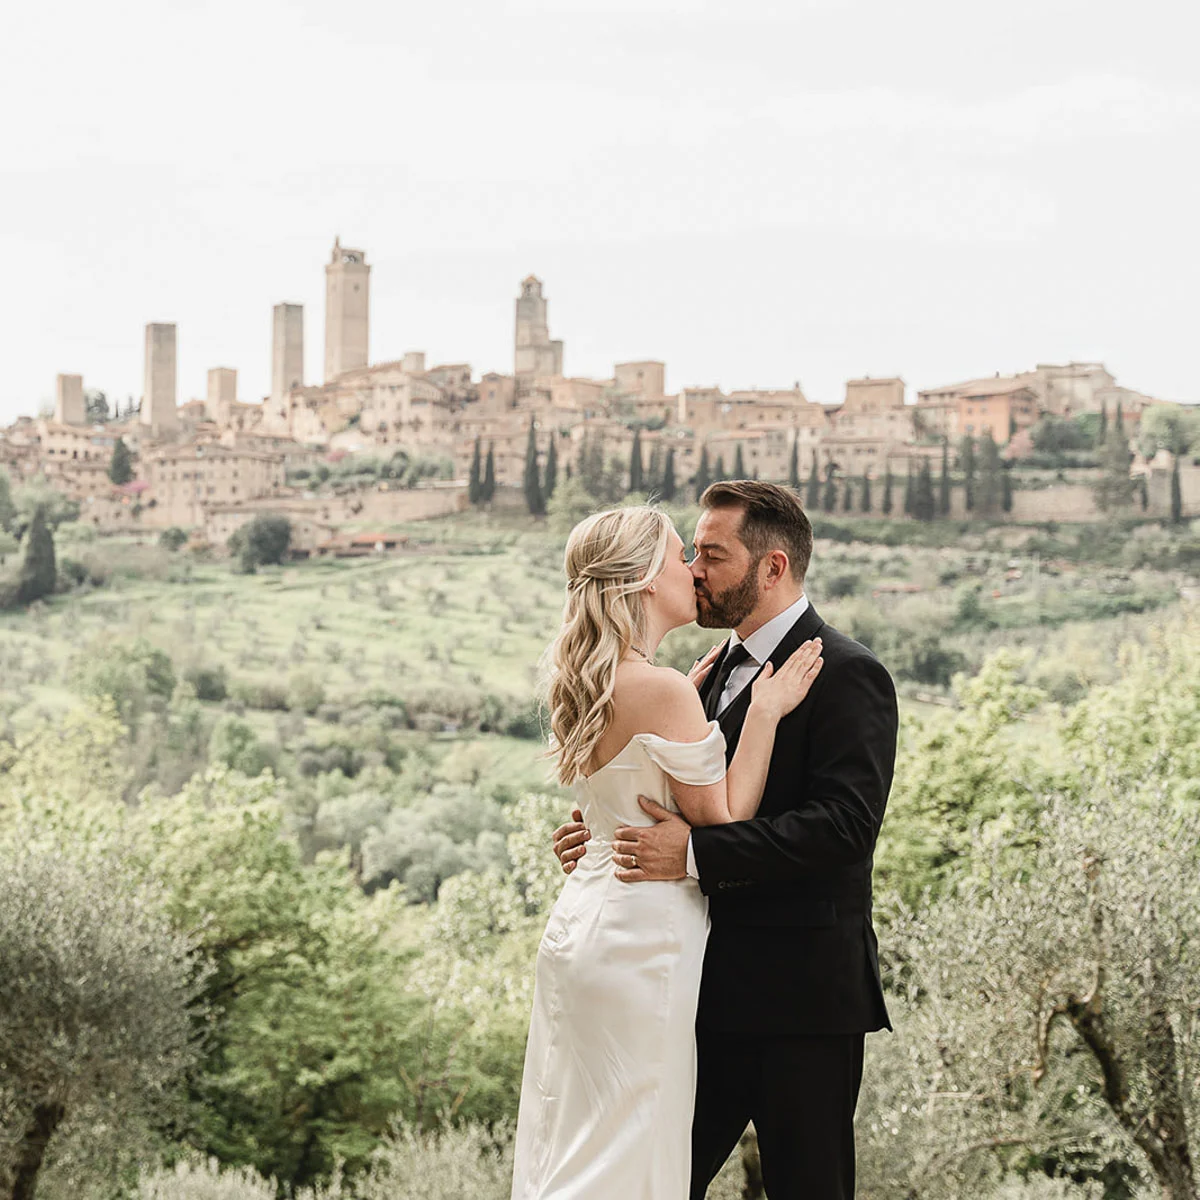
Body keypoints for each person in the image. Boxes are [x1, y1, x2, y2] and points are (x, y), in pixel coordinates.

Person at [553, 480, 899, 1199]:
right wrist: (602, 833)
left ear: (772, 568)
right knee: (656, 1181)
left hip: (800, 999)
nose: (694, 571)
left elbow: (845, 827)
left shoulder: (849, 674)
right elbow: (664, 787)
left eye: (711, 554)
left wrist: (691, 855)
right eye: (692, 554)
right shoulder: (696, 680)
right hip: (691, 989)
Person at [511, 505, 824, 1200]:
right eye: (681, 555)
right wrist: (764, 713)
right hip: (642, 940)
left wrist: (687, 695)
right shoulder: (661, 688)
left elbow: (611, 803)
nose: (692, 571)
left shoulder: (595, 678)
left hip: (585, 923)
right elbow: (724, 817)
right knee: (627, 1146)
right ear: (646, 580)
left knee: (578, 1133)